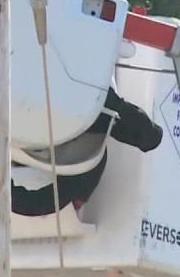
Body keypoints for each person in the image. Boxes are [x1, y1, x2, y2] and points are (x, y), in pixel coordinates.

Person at [11, 88, 162, 217]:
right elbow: (151, 137)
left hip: (71, 136)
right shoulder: (98, 120)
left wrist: (117, 104)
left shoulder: (87, 158)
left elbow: (151, 138)